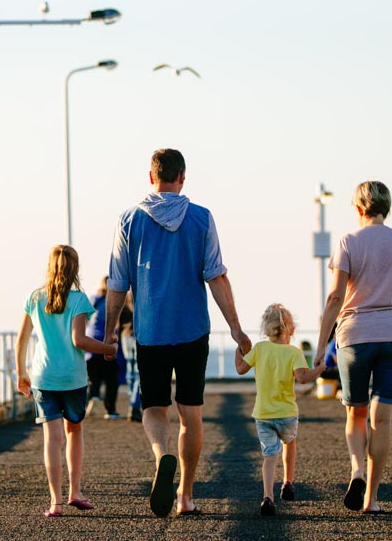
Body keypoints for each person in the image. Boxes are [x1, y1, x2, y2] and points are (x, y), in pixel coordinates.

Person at [103, 148, 252, 518]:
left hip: (150, 330)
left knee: (154, 408)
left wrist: (108, 334)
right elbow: (216, 276)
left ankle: (161, 455)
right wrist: (236, 328)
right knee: (191, 412)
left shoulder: (129, 219)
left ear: (151, 177)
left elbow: (117, 284)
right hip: (192, 331)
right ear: (182, 177)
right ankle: (185, 496)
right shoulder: (201, 218)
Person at [314, 181, 392, 514]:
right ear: (387, 207)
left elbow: (336, 297)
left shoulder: (348, 242)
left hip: (356, 336)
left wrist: (322, 344)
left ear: (358, 208)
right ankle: (373, 499)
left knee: (356, 411)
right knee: (383, 418)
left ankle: (356, 470)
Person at [15, 244, 118, 517]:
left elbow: (22, 339)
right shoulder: (79, 300)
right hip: (72, 377)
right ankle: (75, 492)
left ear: (49, 267)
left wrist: (20, 373)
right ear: (75, 269)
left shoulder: (34, 298)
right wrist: (109, 349)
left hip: (43, 376)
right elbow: (79, 340)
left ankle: (55, 502)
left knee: (52, 439)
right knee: (74, 431)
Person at [234, 303, 324, 517]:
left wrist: (239, 350)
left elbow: (240, 369)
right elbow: (302, 379)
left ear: (266, 328)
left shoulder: (259, 349)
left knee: (269, 456)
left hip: (263, 414)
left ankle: (268, 497)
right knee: (289, 444)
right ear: (291, 329)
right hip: (287, 413)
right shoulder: (294, 353)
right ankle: (288, 483)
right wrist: (319, 369)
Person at [85, 278, 123, 418]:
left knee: (94, 377)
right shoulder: (115, 302)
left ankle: (93, 397)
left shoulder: (94, 299)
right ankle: (110, 410)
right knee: (112, 380)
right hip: (108, 343)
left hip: (91, 343)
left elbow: (85, 319)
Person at [120, 292, 142, 421]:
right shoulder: (141, 296)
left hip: (125, 337)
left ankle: (133, 403)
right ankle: (134, 405)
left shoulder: (123, 300)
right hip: (139, 337)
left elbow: (118, 321)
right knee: (139, 373)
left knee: (130, 372)